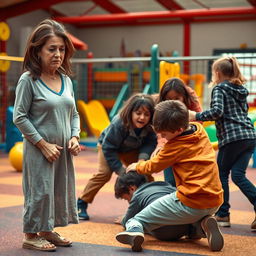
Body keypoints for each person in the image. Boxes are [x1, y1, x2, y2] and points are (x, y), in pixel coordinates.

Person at [115, 100, 224, 252]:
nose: (163, 137)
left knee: (137, 219)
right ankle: (203, 225)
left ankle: (135, 231)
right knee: (191, 213)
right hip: (215, 201)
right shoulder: (199, 130)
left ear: (179, 129)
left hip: (192, 202)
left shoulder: (174, 146)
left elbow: (153, 166)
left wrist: (136, 166)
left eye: (164, 134)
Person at [13, 19, 81, 252]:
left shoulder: (66, 80)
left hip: (62, 150)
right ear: (37, 50)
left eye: (61, 49)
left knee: (57, 190)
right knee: (40, 192)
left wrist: (74, 137)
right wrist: (43, 145)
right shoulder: (28, 80)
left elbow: (74, 113)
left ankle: (47, 229)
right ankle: (30, 235)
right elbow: (19, 117)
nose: (57, 54)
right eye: (51, 49)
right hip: (39, 150)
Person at [189, 56, 256, 229]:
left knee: (221, 175)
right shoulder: (240, 89)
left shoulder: (219, 88)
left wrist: (195, 116)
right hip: (249, 136)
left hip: (232, 138)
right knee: (239, 176)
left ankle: (223, 214)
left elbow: (217, 111)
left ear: (217, 73)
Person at [77, 93, 157, 220]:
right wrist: (121, 171)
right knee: (104, 173)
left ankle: (152, 203)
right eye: (138, 113)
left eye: (146, 114)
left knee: (144, 172)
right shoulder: (119, 123)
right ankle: (81, 203)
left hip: (131, 149)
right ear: (130, 112)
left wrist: (142, 159)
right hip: (108, 147)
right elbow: (109, 148)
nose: (142, 117)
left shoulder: (150, 126)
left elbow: (150, 142)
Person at [115, 171, 207, 241]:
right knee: (186, 217)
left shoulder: (138, 195)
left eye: (127, 199)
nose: (128, 202)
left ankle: (137, 232)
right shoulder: (167, 186)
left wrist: (123, 219)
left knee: (134, 221)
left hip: (163, 232)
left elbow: (127, 219)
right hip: (183, 224)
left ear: (132, 188)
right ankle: (199, 228)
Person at [153, 77, 202, 186]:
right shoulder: (161, 106)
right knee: (171, 181)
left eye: (177, 98)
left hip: (188, 139)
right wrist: (160, 145)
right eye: (168, 99)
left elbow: (199, 121)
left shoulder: (191, 99)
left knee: (189, 178)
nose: (172, 102)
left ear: (184, 97)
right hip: (171, 141)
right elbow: (160, 130)